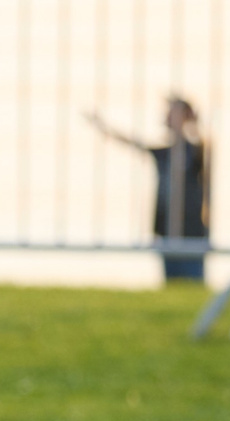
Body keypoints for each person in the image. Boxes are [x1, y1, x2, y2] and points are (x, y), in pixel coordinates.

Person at [88, 97, 210, 284]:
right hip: (165, 227)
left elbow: (202, 144)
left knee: (193, 280)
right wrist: (103, 127)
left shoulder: (195, 150)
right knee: (172, 281)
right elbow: (133, 142)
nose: (167, 116)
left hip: (191, 228)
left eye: (173, 112)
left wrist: (191, 123)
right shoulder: (163, 153)